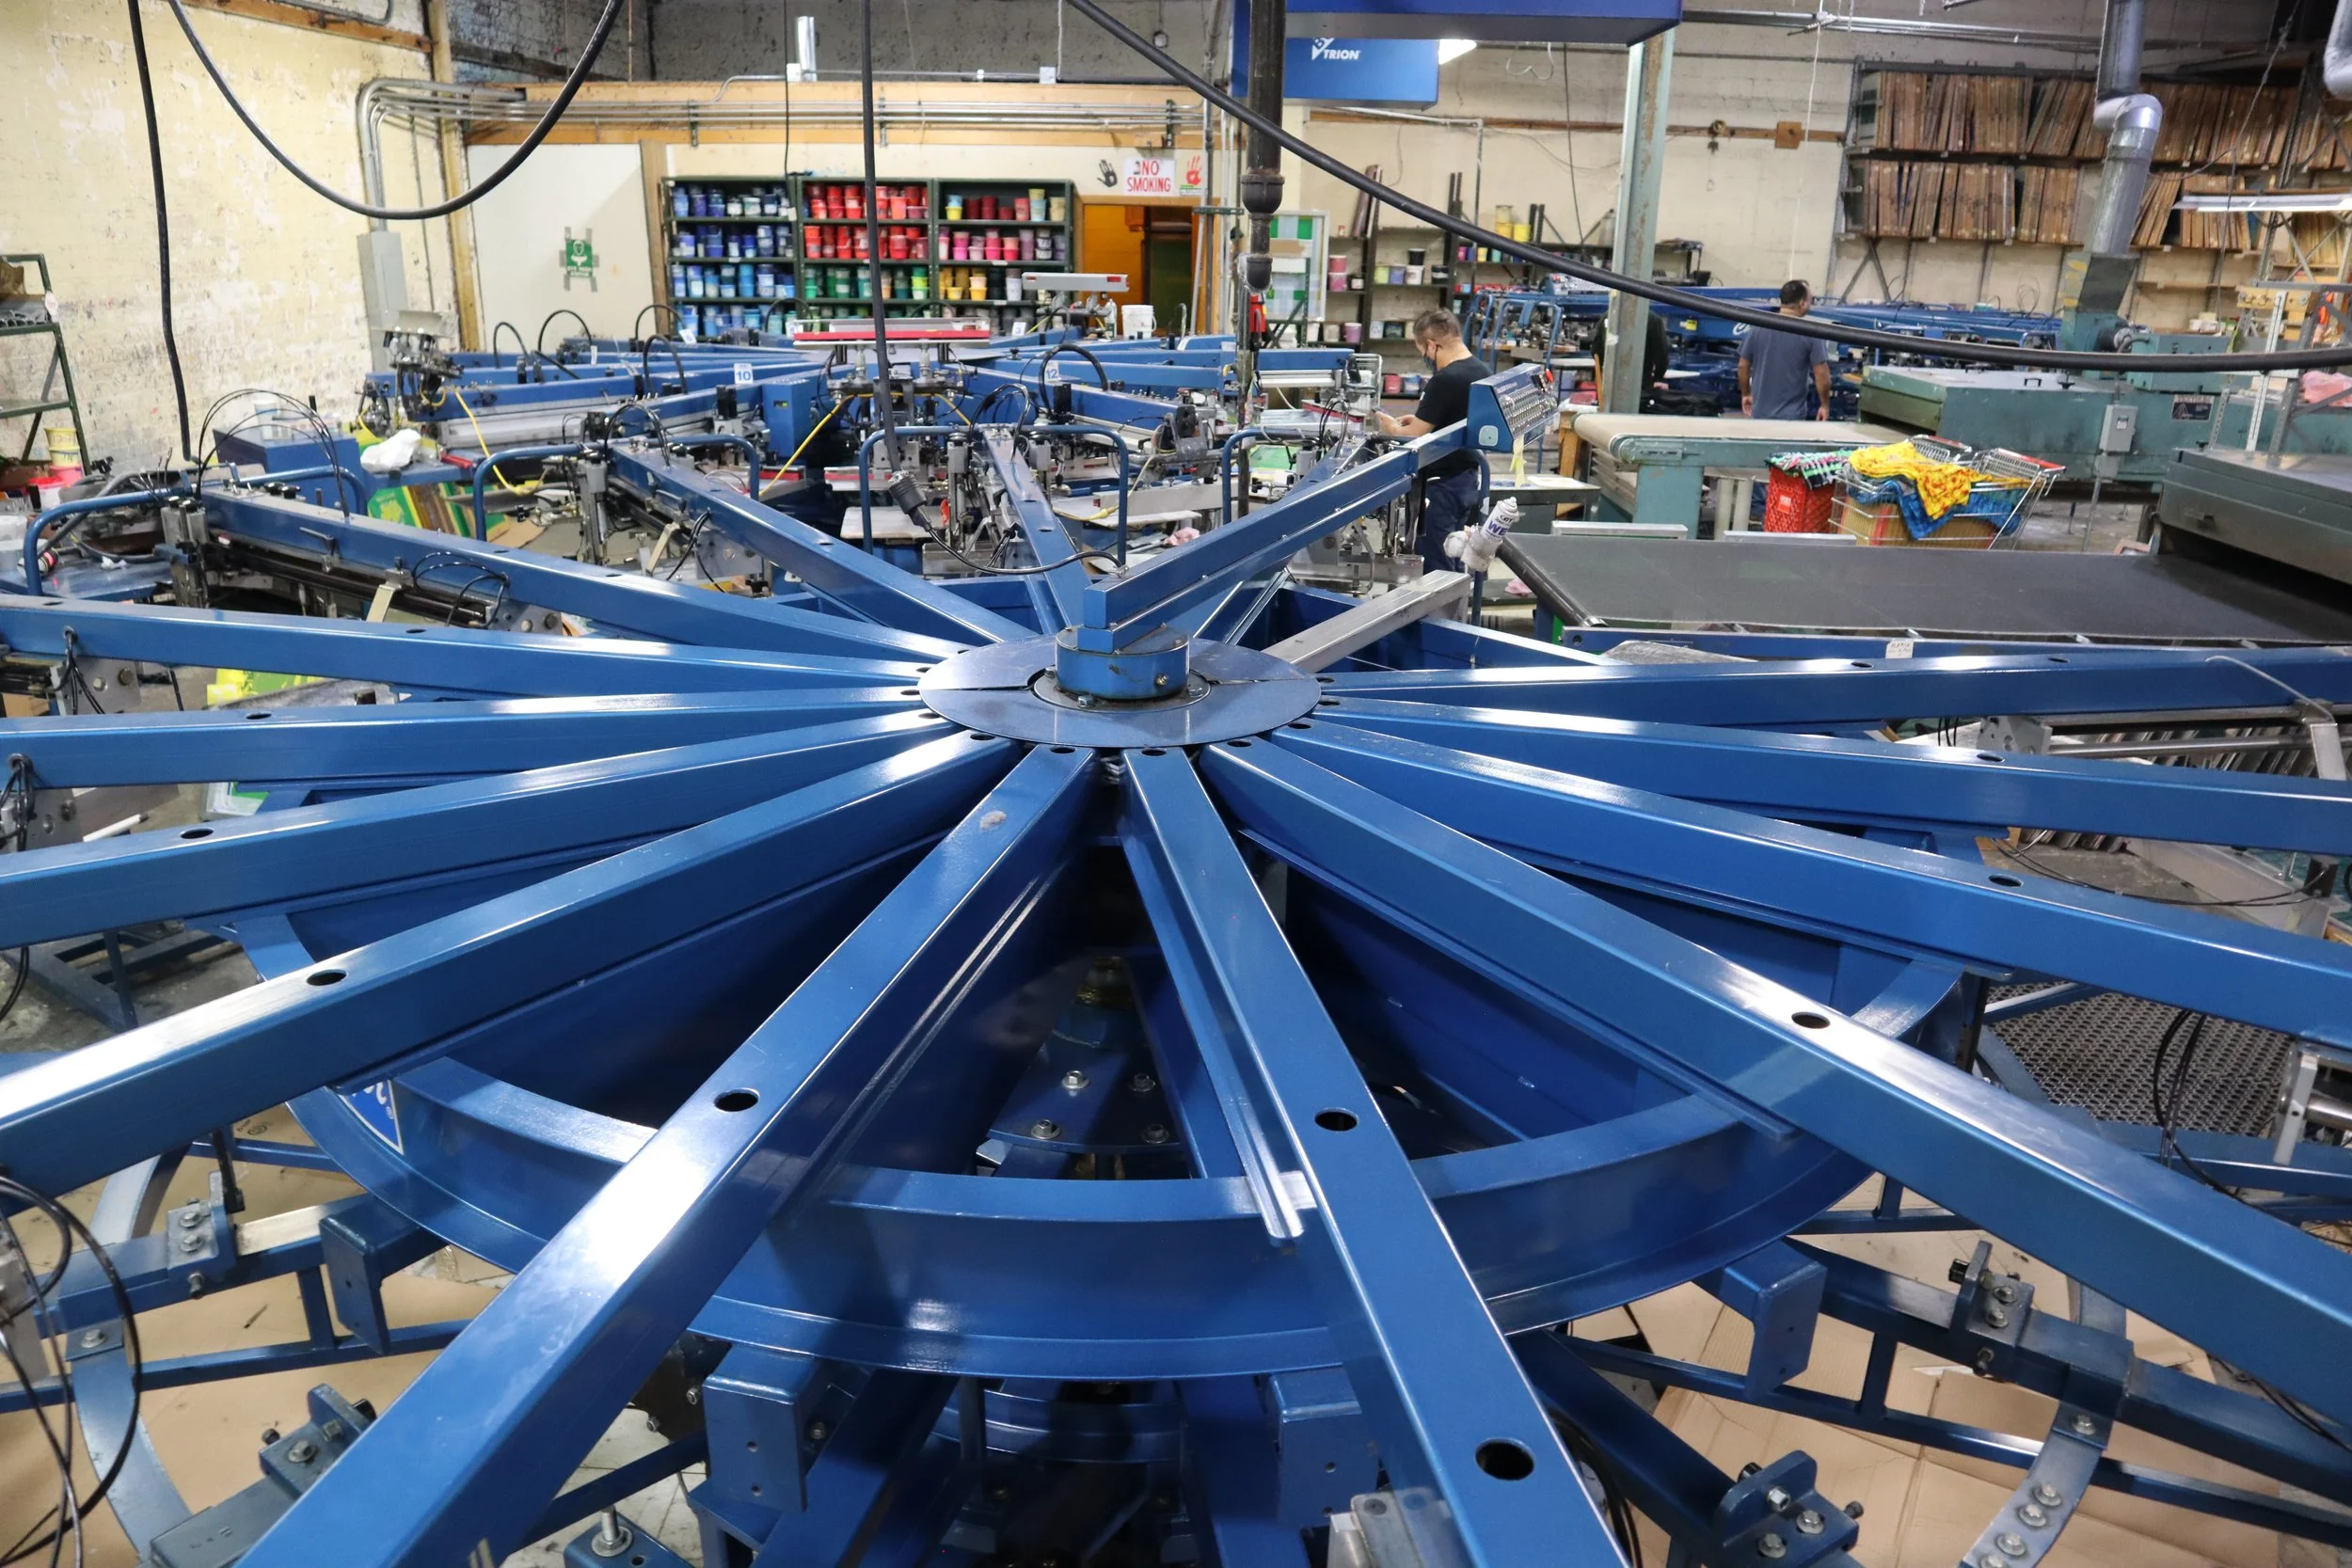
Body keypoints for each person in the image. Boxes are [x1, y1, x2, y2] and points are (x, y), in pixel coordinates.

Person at [1375, 309, 1492, 572]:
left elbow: (1412, 435)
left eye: (1422, 351)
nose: (1424, 357)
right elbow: (1447, 417)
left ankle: (1439, 614)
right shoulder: (1481, 370)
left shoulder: (1445, 379)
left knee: (1435, 565)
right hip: (1467, 479)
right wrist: (1421, 419)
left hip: (1441, 487)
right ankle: (1453, 612)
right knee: (1455, 555)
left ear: (1431, 345)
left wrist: (1390, 425)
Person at [1739, 279, 1835, 421]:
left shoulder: (1757, 327)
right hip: (1791, 418)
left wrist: (1746, 394)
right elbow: (1822, 375)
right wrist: (1824, 405)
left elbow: (1742, 365)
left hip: (1759, 415)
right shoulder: (1811, 332)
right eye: (1810, 300)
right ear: (1803, 303)